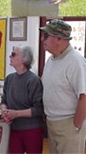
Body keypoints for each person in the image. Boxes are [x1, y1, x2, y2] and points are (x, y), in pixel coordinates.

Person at [40, 19, 86, 153]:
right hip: (52, 124)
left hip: (69, 125)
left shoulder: (75, 62)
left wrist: (76, 126)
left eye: (46, 36)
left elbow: (83, 97)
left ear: (59, 38)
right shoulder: (50, 60)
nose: (43, 39)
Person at [0, 45, 44, 154]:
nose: (10, 56)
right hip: (15, 129)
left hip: (32, 129)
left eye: (14, 54)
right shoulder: (9, 79)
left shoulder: (33, 80)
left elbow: (38, 109)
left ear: (24, 59)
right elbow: (4, 100)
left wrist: (16, 114)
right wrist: (4, 111)